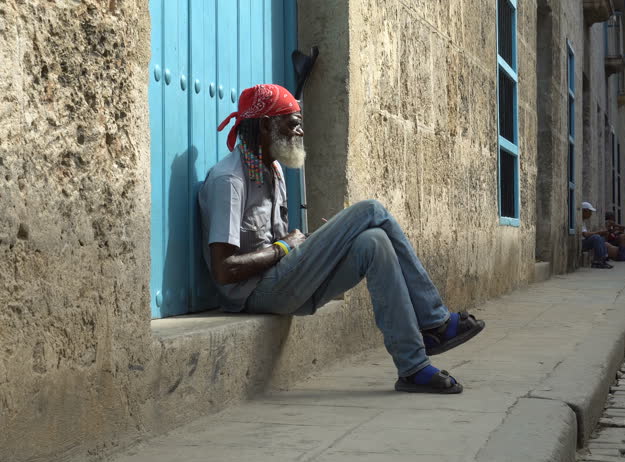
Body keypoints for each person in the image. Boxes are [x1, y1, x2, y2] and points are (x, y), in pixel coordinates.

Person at [199, 84, 484, 395]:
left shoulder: (273, 171)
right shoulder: (230, 180)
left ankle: (412, 366)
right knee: (372, 210)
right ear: (267, 125)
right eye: (293, 123)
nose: (301, 132)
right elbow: (225, 271)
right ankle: (435, 322)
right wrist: (285, 247)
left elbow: (279, 244)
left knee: (373, 242)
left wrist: (306, 244)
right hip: (254, 295)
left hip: (284, 281)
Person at [580, 202, 614, 269]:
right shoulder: (579, 221)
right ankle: (597, 261)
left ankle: (603, 260)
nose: (591, 214)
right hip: (581, 243)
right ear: (584, 211)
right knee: (596, 237)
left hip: (584, 241)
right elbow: (585, 234)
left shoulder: (583, 221)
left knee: (601, 238)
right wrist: (599, 232)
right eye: (590, 212)